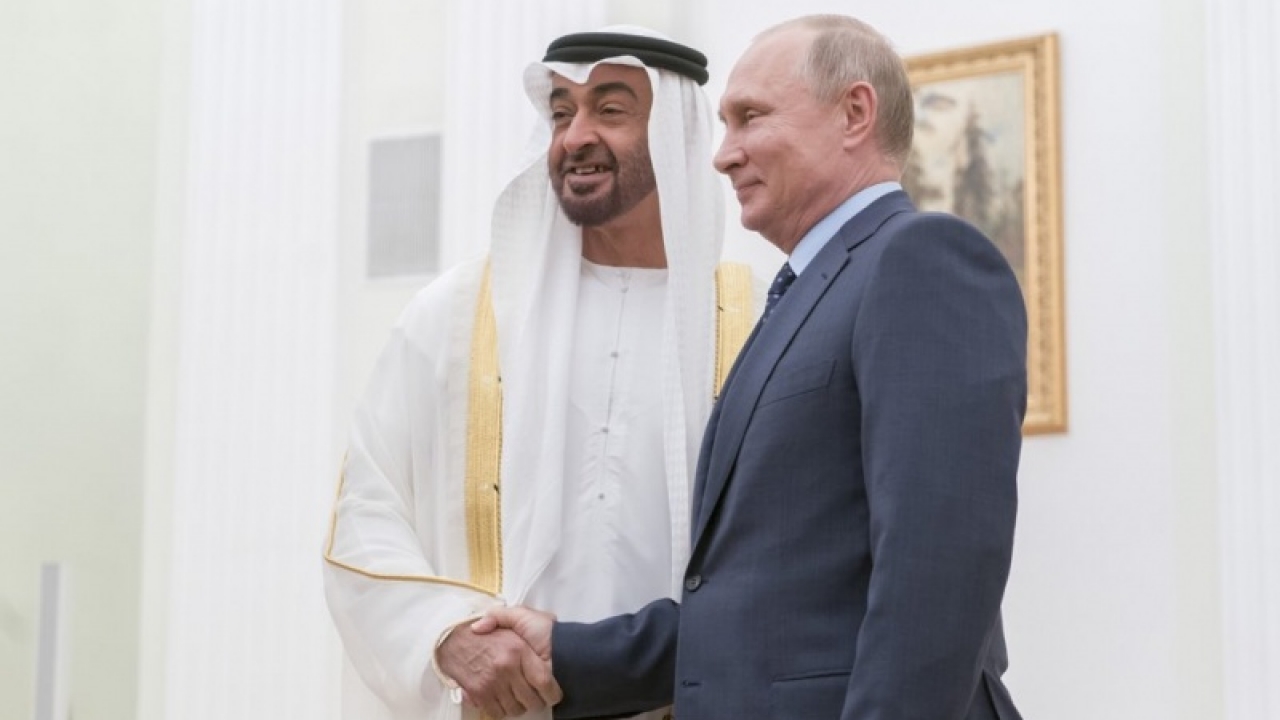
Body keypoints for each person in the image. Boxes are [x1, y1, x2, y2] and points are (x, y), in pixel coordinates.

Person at [479, 14, 1028, 720]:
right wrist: (566, 651)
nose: (723, 155)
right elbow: (756, 604)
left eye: (750, 118)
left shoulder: (919, 259)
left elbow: (939, 573)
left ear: (854, 114)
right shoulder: (805, 292)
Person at [321, 25, 758, 720]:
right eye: (560, 112)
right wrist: (446, 637)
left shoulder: (751, 322)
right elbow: (367, 510)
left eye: (610, 109)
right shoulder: (456, 316)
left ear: (674, 132)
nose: (575, 136)